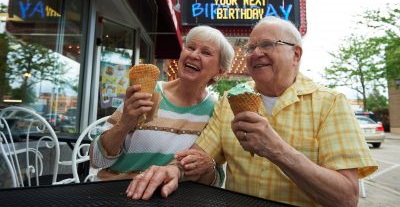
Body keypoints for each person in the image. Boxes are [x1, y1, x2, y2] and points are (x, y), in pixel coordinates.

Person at [126, 17, 378, 206]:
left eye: (268, 44)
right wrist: (173, 170)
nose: (256, 53)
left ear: (296, 54)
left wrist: (277, 150)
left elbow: (346, 198)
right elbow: (198, 155)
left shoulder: (331, 103)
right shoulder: (229, 101)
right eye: (250, 47)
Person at [90, 25, 234, 181]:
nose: (194, 55)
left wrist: (207, 168)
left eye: (206, 52)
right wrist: (124, 122)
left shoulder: (216, 111)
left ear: (220, 71)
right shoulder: (147, 93)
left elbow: (215, 179)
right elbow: (97, 160)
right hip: (116, 191)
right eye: (190, 47)